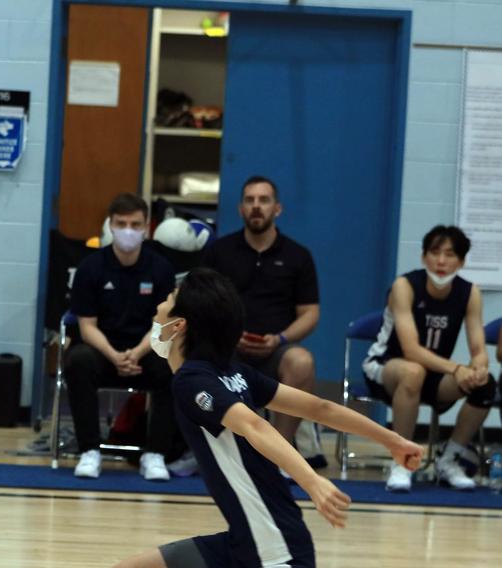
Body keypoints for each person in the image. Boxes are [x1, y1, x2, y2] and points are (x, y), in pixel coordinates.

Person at [115, 268, 423, 568]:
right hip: (245, 542)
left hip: (274, 552)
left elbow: (254, 425)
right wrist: (393, 440)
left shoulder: (191, 381)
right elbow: (320, 409)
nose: (159, 305)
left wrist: (312, 482)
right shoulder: (232, 372)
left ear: (179, 325)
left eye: (168, 299)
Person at [202, 176, 325, 466]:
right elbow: (202, 305)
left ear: (277, 209)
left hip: (276, 349)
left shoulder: (298, 255)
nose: (257, 207)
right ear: (240, 209)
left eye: (264, 200)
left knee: (302, 361)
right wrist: (228, 336)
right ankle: (209, 452)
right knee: (196, 360)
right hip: (227, 348)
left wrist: (280, 339)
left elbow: (310, 313)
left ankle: (278, 456)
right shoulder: (219, 252)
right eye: (250, 200)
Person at [363, 225, 495, 492]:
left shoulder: (470, 293)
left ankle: (449, 458)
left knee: (485, 384)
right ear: (424, 257)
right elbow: (411, 350)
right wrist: (457, 368)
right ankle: (402, 461)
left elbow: (478, 348)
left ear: (462, 261)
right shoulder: (405, 286)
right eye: (435, 253)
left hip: (432, 374)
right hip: (386, 367)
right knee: (413, 371)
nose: (442, 261)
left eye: (450, 254)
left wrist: (478, 368)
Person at [66, 193, 177, 481]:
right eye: (121, 223)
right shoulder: (91, 268)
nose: (128, 230)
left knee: (174, 365)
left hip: (146, 350)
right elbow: (86, 326)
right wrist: (115, 356)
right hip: (102, 351)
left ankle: (155, 453)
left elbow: (163, 325)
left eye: (135, 224)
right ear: (110, 225)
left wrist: (136, 353)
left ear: (146, 228)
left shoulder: (161, 269)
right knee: (77, 360)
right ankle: (89, 451)